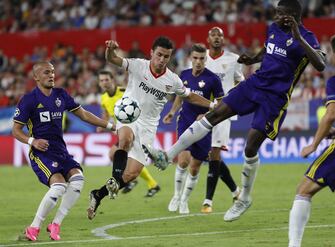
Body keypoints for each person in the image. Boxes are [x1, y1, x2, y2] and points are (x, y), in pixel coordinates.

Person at [143, 0, 326, 222]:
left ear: (293, 16)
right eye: (276, 12)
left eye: (281, 13)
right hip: (255, 83)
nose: (276, 16)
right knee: (215, 113)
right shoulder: (274, 28)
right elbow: (268, 51)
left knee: (250, 146)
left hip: (275, 97)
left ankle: (244, 198)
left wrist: (298, 36)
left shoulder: (307, 36)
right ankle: (167, 155)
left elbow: (321, 64)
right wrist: (254, 59)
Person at [87, 36, 216, 220]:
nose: (162, 59)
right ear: (151, 53)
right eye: (159, 55)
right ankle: (114, 181)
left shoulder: (173, 80)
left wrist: (212, 106)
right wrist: (110, 49)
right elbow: (112, 59)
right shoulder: (138, 65)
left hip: (148, 126)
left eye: (166, 56)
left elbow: (190, 96)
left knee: (132, 173)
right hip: (129, 113)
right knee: (125, 140)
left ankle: (98, 194)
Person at [12, 61, 116, 241]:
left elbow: (83, 114)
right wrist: (32, 141)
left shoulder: (61, 95)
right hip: (41, 153)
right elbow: (15, 130)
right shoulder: (29, 100)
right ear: (36, 77)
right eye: (46, 72)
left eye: (53, 72)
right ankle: (34, 228)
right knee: (59, 186)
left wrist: (110, 126)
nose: (51, 75)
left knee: (77, 180)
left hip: (61, 151)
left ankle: (56, 224)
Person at [288, 33, 335, 247]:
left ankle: (294, 245)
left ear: (334, 55)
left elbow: (330, 115)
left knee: (304, 190)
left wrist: (314, 144)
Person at [162, 43, 224, 214]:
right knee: (182, 161)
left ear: (206, 59)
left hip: (204, 127)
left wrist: (205, 116)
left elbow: (220, 104)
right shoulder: (184, 75)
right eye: (195, 58)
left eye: (202, 59)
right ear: (190, 58)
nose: (198, 62)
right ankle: (176, 196)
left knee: (195, 168)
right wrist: (172, 112)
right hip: (185, 121)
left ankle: (184, 200)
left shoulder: (213, 79)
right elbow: (180, 96)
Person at [200, 26, 245, 214]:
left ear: (223, 39)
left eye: (220, 35)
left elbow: (240, 81)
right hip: (202, 111)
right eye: (213, 35)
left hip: (224, 112)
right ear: (208, 39)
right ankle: (236, 191)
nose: (217, 38)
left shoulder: (233, 59)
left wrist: (231, 98)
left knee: (215, 154)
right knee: (209, 156)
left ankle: (207, 201)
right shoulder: (201, 59)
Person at [97, 70, 161, 197]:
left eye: (106, 80)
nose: (104, 83)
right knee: (119, 157)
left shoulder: (125, 92)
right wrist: (102, 125)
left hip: (133, 130)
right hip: (122, 131)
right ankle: (149, 184)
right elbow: (106, 113)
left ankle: (143, 183)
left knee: (115, 154)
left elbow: (140, 105)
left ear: (112, 80)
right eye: (101, 80)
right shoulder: (103, 98)